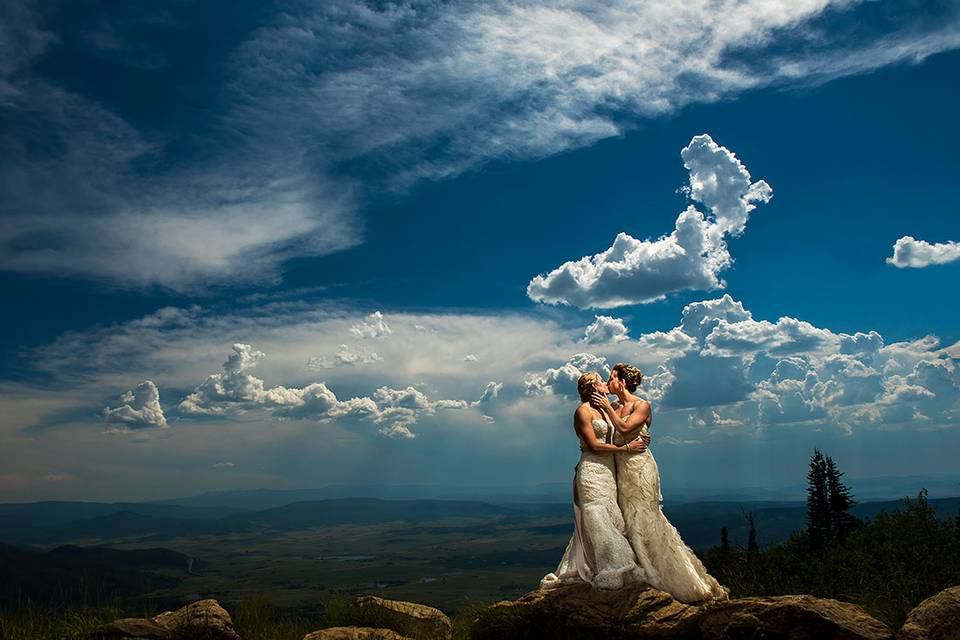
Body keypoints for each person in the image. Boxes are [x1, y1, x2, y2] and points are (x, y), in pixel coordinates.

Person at [590, 363, 729, 603]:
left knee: (646, 515)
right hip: (621, 468)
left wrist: (609, 411)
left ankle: (669, 574)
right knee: (626, 516)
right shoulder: (612, 406)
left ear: (622, 382)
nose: (608, 381)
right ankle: (637, 566)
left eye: (611, 377)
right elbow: (609, 435)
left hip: (640, 468)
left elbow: (625, 427)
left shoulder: (641, 405)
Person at [540, 372, 650, 590]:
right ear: (592, 387)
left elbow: (622, 429)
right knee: (597, 516)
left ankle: (600, 564)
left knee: (612, 517)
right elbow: (593, 445)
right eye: (601, 380)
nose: (605, 383)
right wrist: (626, 449)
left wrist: (641, 436)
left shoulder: (606, 410)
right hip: (592, 470)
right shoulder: (582, 411)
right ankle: (613, 567)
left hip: (609, 471)